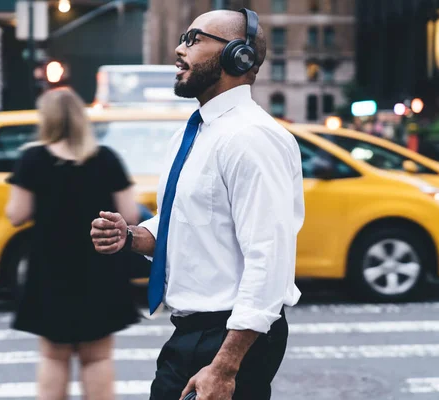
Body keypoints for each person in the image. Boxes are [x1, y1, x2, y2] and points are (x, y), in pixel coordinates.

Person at [91, 8, 305, 400]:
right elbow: (192, 223)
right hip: (194, 333)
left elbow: (269, 259)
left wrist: (225, 367)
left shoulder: (252, 138)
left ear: (238, 56)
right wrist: (134, 236)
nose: (178, 49)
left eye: (194, 39)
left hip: (229, 338)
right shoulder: (196, 132)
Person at [5, 87, 140, 400]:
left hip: (50, 268)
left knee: (54, 356)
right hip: (99, 267)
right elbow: (130, 214)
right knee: (98, 357)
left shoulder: (33, 158)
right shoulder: (106, 159)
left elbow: (16, 214)